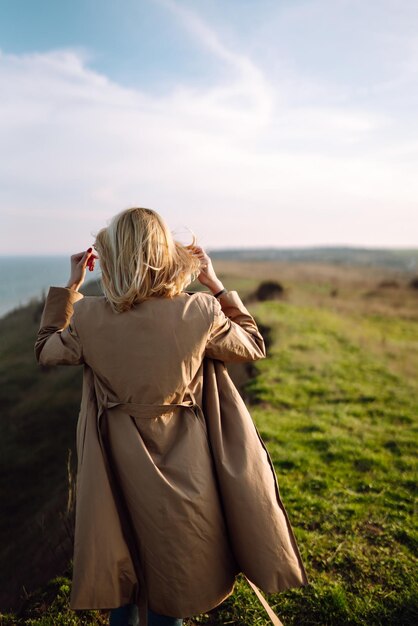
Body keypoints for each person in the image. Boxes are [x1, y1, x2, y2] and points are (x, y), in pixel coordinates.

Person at [35, 207, 308, 626]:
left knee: (120, 563)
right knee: (174, 572)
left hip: (113, 466)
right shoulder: (198, 312)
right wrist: (215, 284)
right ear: (165, 255)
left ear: (111, 260)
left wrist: (72, 287)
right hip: (186, 465)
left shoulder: (88, 317)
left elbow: (46, 349)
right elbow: (252, 344)